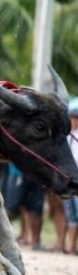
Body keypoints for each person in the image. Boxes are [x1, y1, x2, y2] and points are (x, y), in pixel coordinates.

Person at [64, 99, 78, 255]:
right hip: (69, 179)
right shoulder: (67, 137)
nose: (73, 121)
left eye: (75, 118)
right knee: (71, 214)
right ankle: (71, 246)